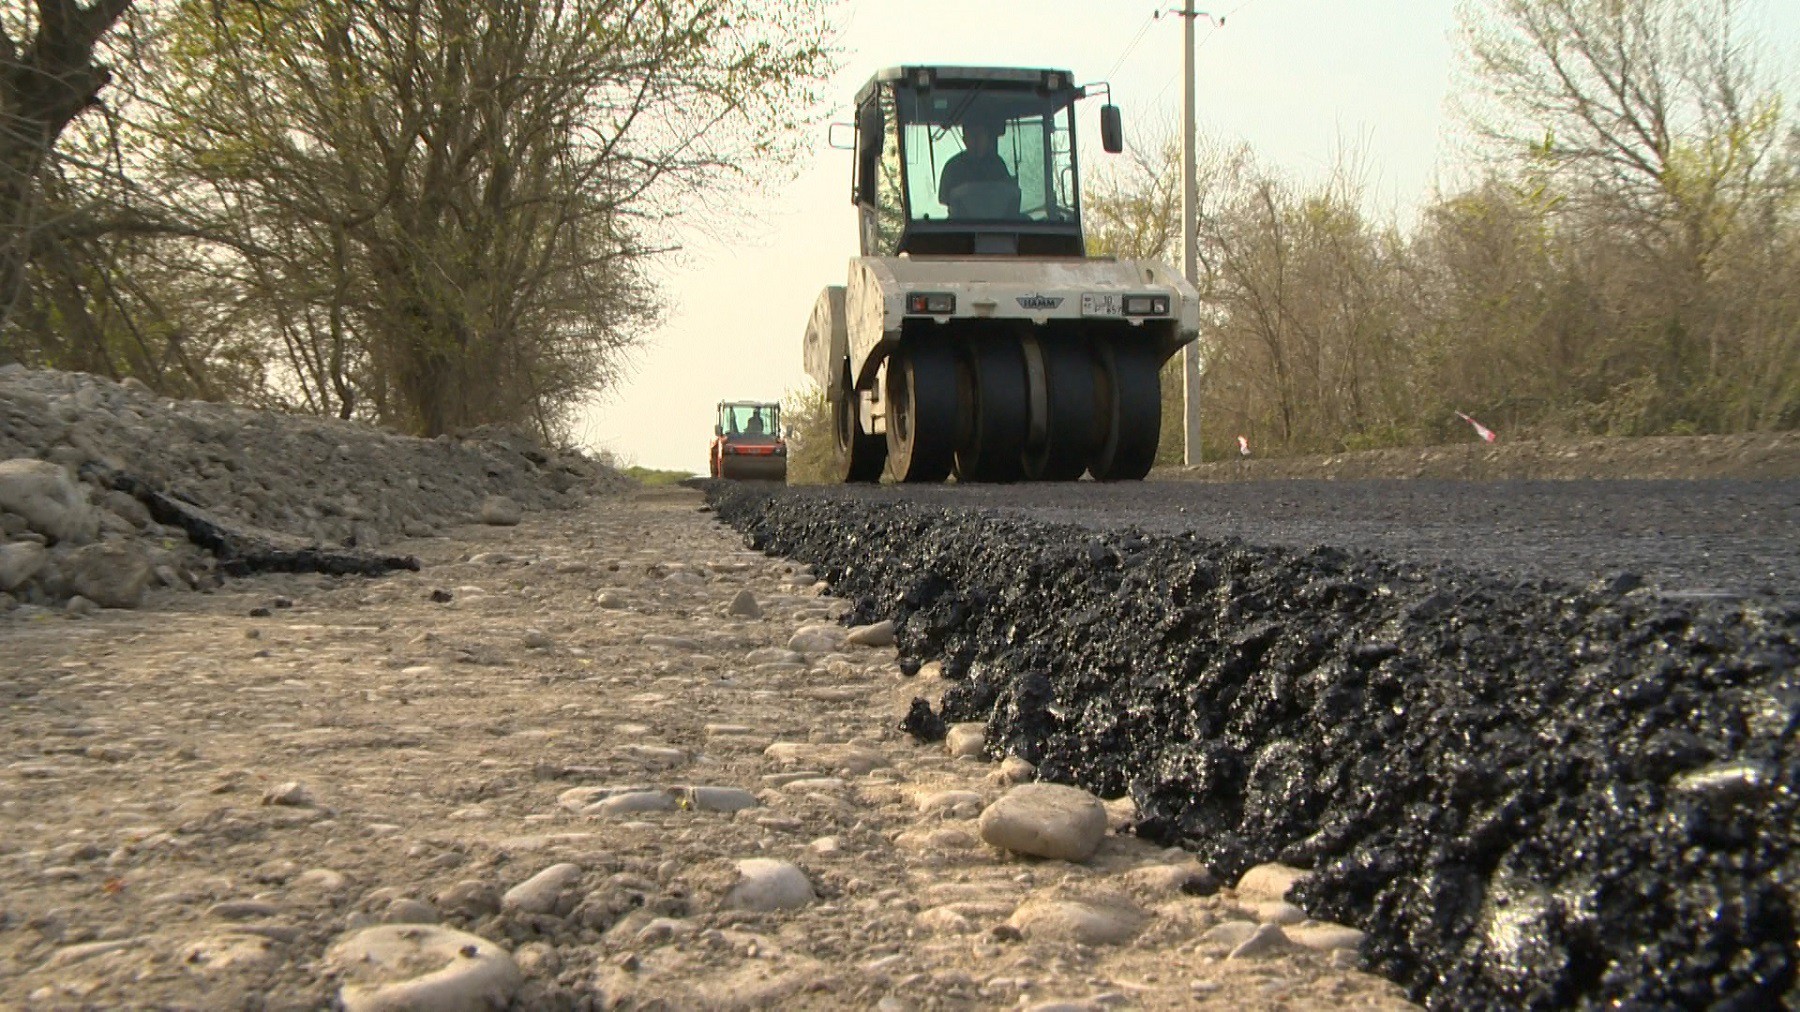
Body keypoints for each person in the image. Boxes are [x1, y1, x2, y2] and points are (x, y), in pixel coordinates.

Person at [939, 114, 1017, 218]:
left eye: (980, 134)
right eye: (972, 135)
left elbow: (1008, 194)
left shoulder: (997, 164)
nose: (976, 140)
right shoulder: (953, 167)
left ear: (987, 138)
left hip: (995, 223)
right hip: (960, 226)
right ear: (964, 140)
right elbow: (943, 198)